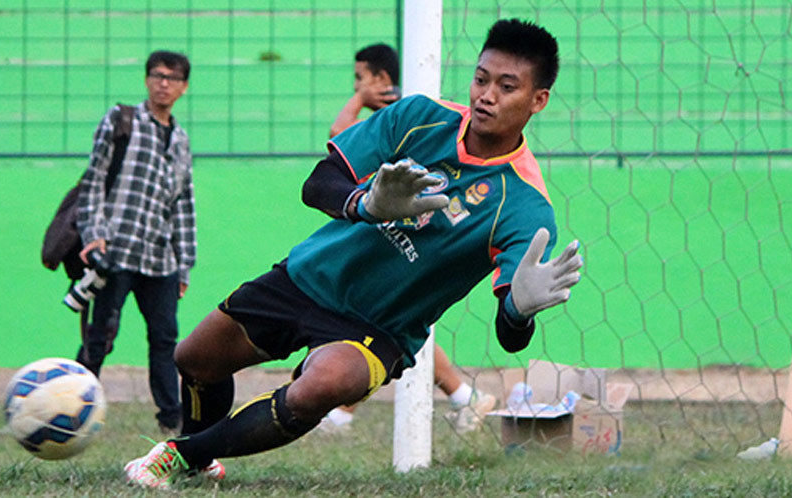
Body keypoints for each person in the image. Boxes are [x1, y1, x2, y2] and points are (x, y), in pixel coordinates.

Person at [124, 18, 581, 487]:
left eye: (507, 87)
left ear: (537, 100)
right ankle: (199, 463)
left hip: (379, 326)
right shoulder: (420, 117)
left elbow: (511, 336)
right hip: (311, 276)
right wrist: (365, 203)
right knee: (194, 358)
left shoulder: (526, 206)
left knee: (320, 387)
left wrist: (520, 311)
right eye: (481, 79)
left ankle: (179, 454)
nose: (486, 95)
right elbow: (319, 181)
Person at [322, 42, 496, 434]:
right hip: (394, 232)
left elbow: (338, 134)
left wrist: (357, 99)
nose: (356, 85)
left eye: (359, 78)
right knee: (385, 324)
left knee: (378, 325)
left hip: (401, 237)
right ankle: (463, 397)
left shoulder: (399, 114)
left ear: (381, 79)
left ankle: (342, 412)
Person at [75, 50, 196, 435]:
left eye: (173, 78)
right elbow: (93, 180)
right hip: (117, 250)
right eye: (158, 75)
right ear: (146, 79)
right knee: (100, 336)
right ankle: (72, 404)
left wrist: (184, 263)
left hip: (160, 259)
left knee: (165, 340)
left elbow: (183, 203)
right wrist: (94, 235)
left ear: (184, 88)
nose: (164, 83)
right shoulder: (121, 120)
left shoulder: (180, 139)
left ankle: (171, 419)